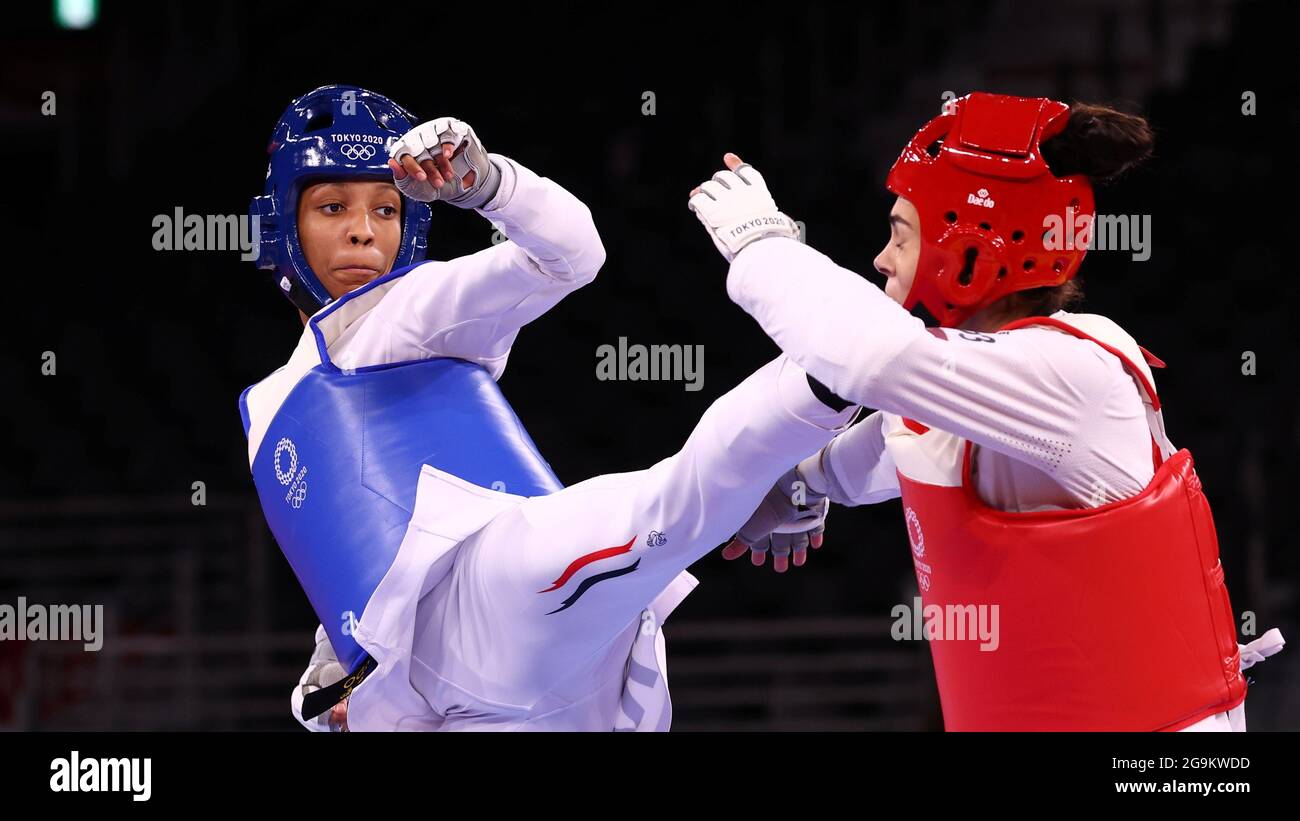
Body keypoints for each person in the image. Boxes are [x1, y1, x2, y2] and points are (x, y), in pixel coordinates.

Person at [240, 85, 858, 731]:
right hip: (442, 694)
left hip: (507, 602)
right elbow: (357, 551)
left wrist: (487, 185)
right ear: (283, 226)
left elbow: (572, 254)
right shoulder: (267, 408)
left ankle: (841, 361)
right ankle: (803, 438)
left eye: (387, 210)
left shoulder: (411, 310)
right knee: (672, 505)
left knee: (667, 502)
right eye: (333, 207)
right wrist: (326, 680)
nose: (364, 230)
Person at [689, 91, 1284, 731]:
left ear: (970, 252)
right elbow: (896, 450)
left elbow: (866, 357)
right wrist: (802, 485)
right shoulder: (972, 384)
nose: (881, 258)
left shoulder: (1073, 372)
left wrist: (761, 245)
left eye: (900, 232)